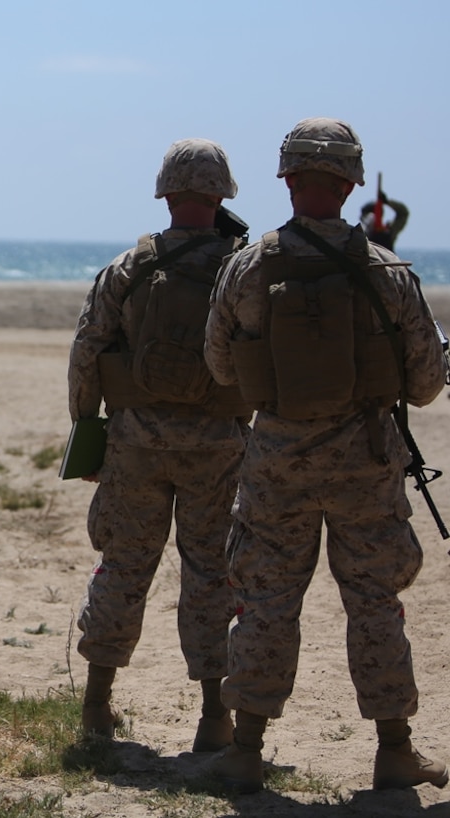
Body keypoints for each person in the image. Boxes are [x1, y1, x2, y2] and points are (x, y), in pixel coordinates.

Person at [204, 117, 448, 793]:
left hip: (277, 462)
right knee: (375, 604)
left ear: (287, 180)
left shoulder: (247, 267)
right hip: (365, 462)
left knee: (264, 600)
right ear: (349, 183)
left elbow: (221, 367)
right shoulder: (390, 273)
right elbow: (427, 384)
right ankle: (395, 749)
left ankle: (245, 749)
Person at [67, 138, 251, 751]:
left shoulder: (129, 266)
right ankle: (212, 718)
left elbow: (87, 352)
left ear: (166, 194)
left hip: (135, 443)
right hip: (218, 445)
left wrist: (87, 430)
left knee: (123, 566)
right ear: (221, 195)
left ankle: (96, 707)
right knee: (210, 574)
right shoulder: (242, 269)